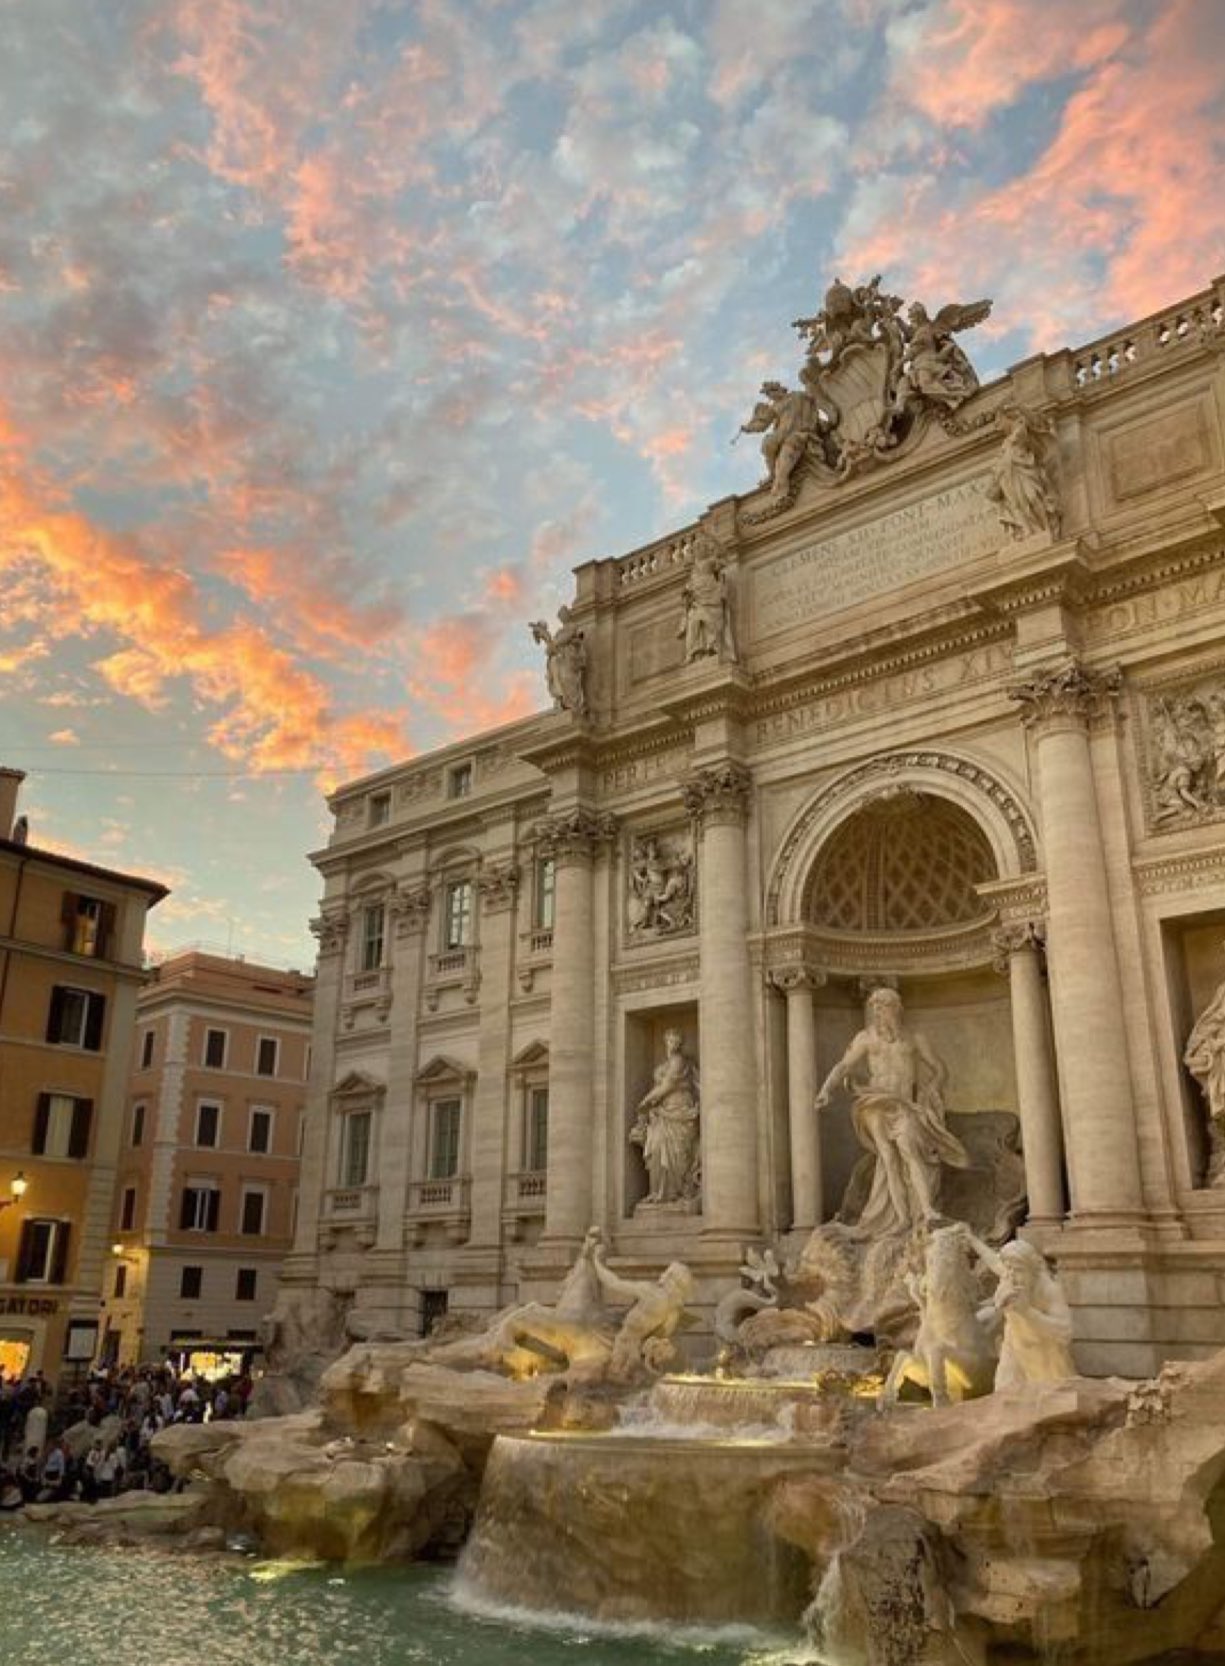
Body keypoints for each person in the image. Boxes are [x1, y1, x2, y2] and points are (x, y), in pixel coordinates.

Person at [815, 987, 969, 1236]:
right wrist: (826, 1089)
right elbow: (843, 1066)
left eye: (884, 1006)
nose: (878, 1012)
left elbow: (939, 1068)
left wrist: (933, 1087)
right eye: (875, 1007)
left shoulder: (914, 1038)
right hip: (875, 1102)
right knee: (888, 1158)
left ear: (897, 1008)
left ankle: (927, 1210)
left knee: (909, 1150)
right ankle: (902, 1218)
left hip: (903, 1104)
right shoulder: (866, 1038)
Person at [630, 1029, 700, 1207]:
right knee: (656, 1147)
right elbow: (659, 1087)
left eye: (677, 1040)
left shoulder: (678, 1061)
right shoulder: (665, 1064)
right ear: (666, 1042)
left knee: (678, 1153)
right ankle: (658, 1192)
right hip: (662, 1112)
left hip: (680, 1110)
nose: (673, 1043)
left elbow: (667, 1085)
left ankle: (677, 1191)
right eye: (670, 1040)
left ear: (680, 1043)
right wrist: (650, 1105)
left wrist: (645, 1101)